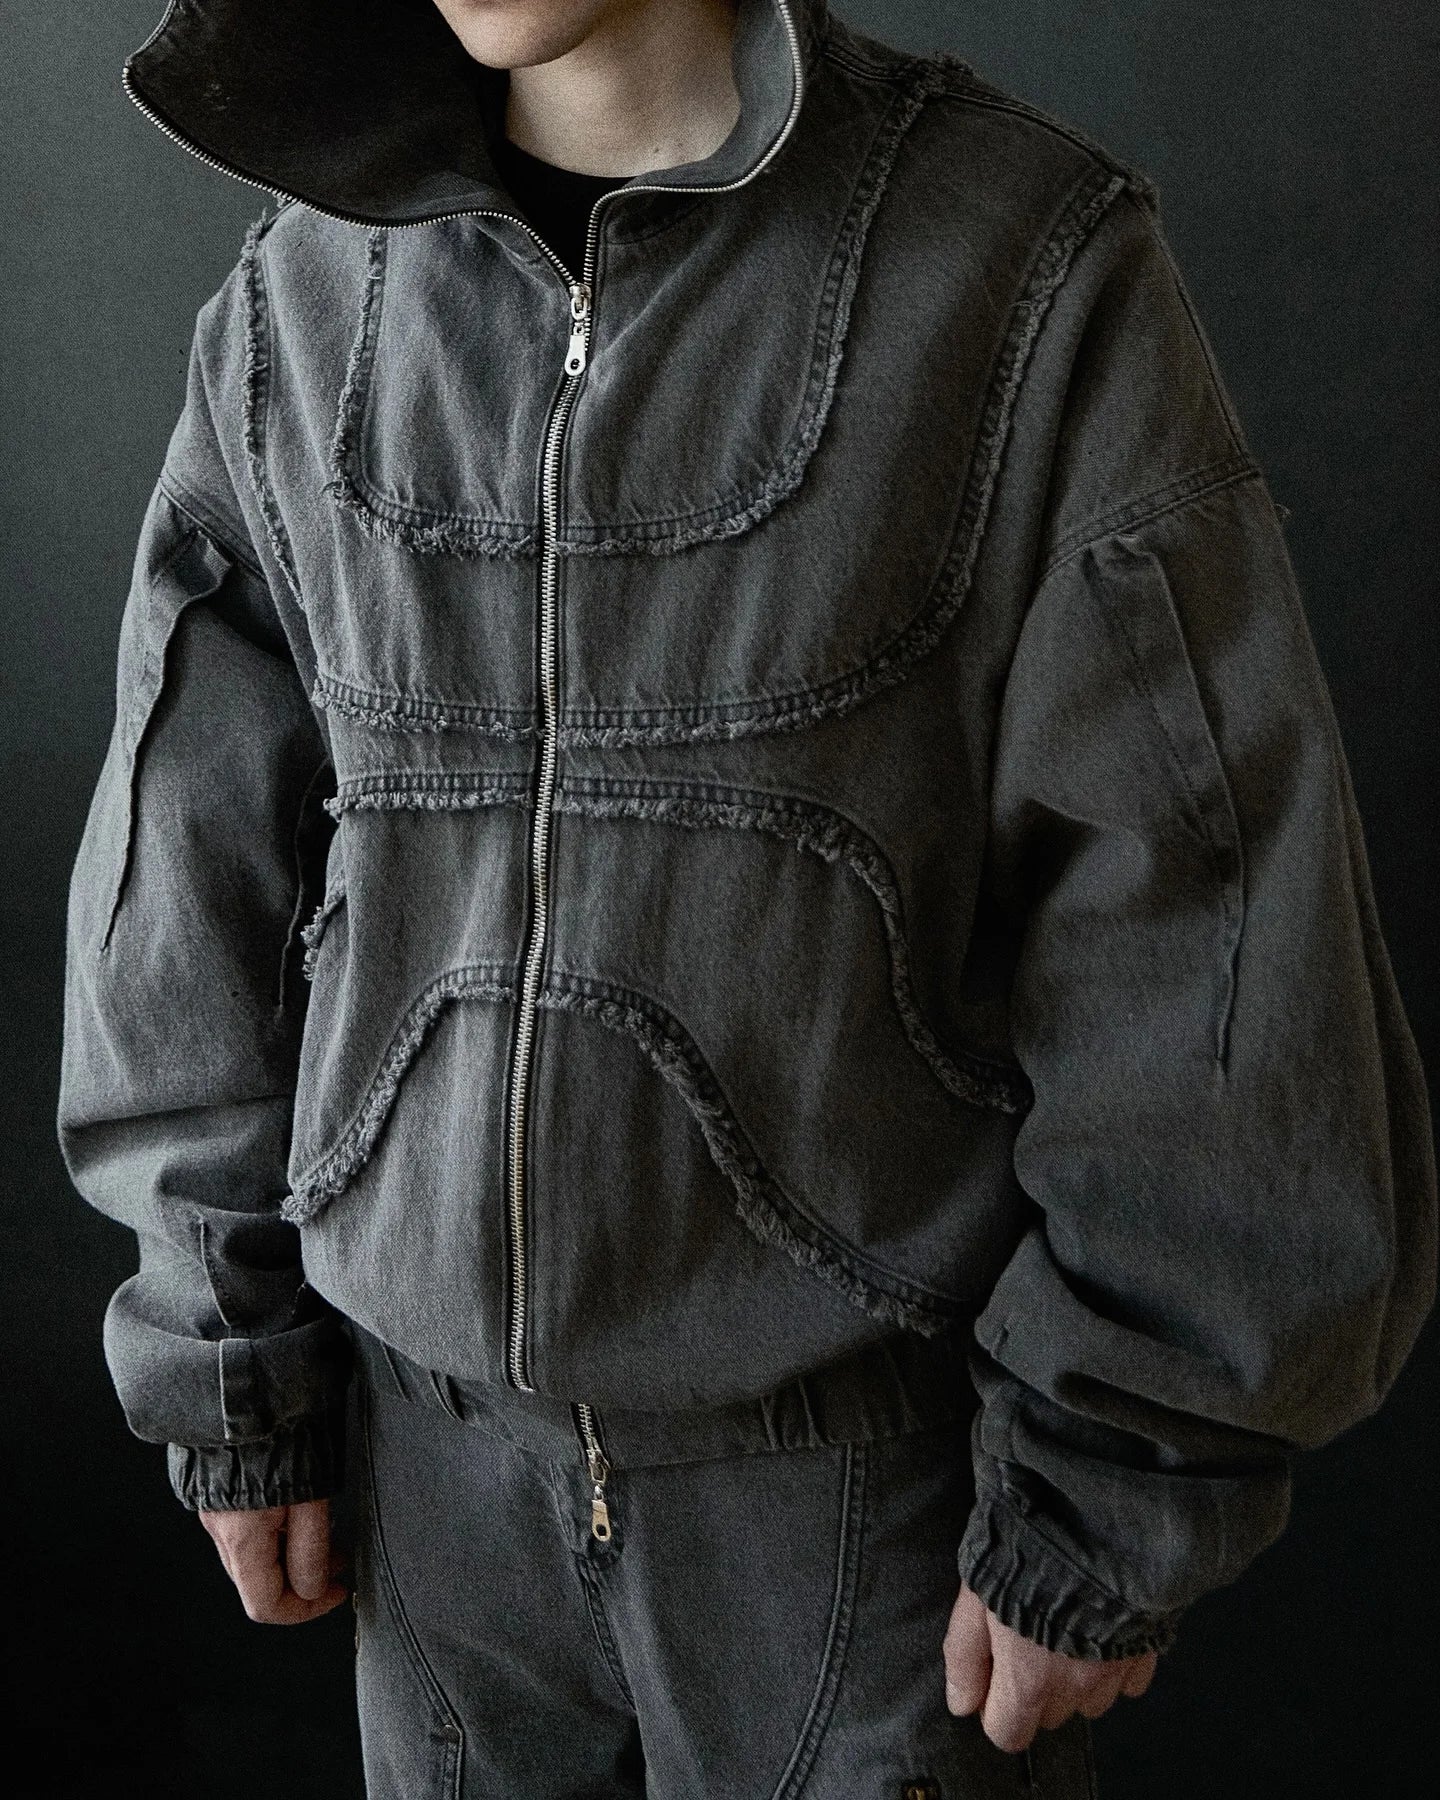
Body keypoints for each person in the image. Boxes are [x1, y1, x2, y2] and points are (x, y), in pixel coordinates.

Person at [57, 0, 1436, 1793]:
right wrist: (225, 1358)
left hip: (864, 1535)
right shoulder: (299, 301)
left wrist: (1121, 1476)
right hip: (436, 1521)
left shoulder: (1019, 269)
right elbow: (190, 871)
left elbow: (1195, 908)